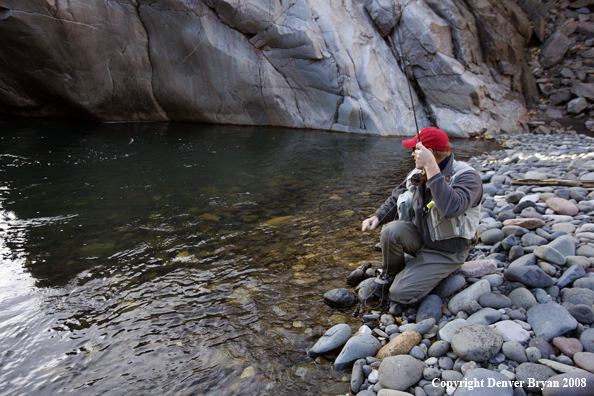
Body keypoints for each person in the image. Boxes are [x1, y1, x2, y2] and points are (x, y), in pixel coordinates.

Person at [361, 127, 483, 308]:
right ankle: (391, 273)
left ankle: (426, 275)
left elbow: (450, 208)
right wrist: (377, 217)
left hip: (447, 251)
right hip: (422, 238)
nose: (412, 155)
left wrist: (431, 167)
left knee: (399, 293)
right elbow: (397, 198)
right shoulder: (417, 173)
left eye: (415, 150)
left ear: (429, 153)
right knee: (391, 230)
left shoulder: (468, 178)